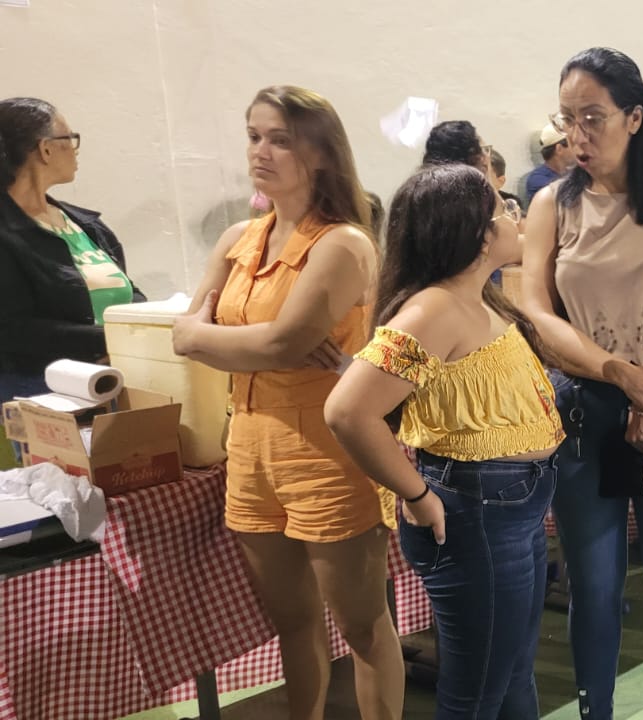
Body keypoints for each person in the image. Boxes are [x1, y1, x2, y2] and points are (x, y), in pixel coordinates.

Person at [170, 85, 403, 720]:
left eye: (280, 139)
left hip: (328, 448)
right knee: (292, 622)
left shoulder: (343, 243)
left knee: (361, 625)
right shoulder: (238, 238)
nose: (261, 151)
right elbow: (184, 334)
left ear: (321, 152)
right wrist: (240, 343)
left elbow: (279, 342)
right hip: (247, 444)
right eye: (254, 136)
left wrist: (226, 340)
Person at [519, 47, 643, 720]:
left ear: (634, 118)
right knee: (594, 586)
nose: (577, 134)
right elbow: (538, 311)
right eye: (568, 118)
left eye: (593, 117)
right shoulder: (550, 204)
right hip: (584, 407)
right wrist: (616, 374)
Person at [325, 163, 564, 718]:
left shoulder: (478, 298)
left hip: (511, 506)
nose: (514, 216)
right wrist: (415, 493)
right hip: (478, 511)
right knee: (477, 693)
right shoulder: (433, 309)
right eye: (502, 209)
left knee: (509, 676)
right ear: (476, 234)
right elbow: (348, 411)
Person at [0, 97, 143, 401]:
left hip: (111, 380)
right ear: (46, 149)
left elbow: (131, 293)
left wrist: (149, 328)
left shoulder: (86, 224)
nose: (76, 150)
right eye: (70, 138)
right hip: (40, 394)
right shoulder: (6, 232)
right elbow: (13, 329)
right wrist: (109, 340)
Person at [522, 123, 573, 206]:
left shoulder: (573, 173)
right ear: (559, 149)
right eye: (573, 145)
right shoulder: (538, 179)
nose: (579, 149)